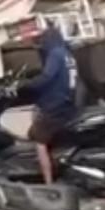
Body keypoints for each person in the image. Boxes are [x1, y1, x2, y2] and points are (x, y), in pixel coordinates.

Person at [15, 26, 78, 184]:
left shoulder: (55, 54)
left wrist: (28, 85)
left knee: (40, 141)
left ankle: (48, 182)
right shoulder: (67, 55)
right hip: (67, 102)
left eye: (44, 41)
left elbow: (47, 77)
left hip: (56, 105)